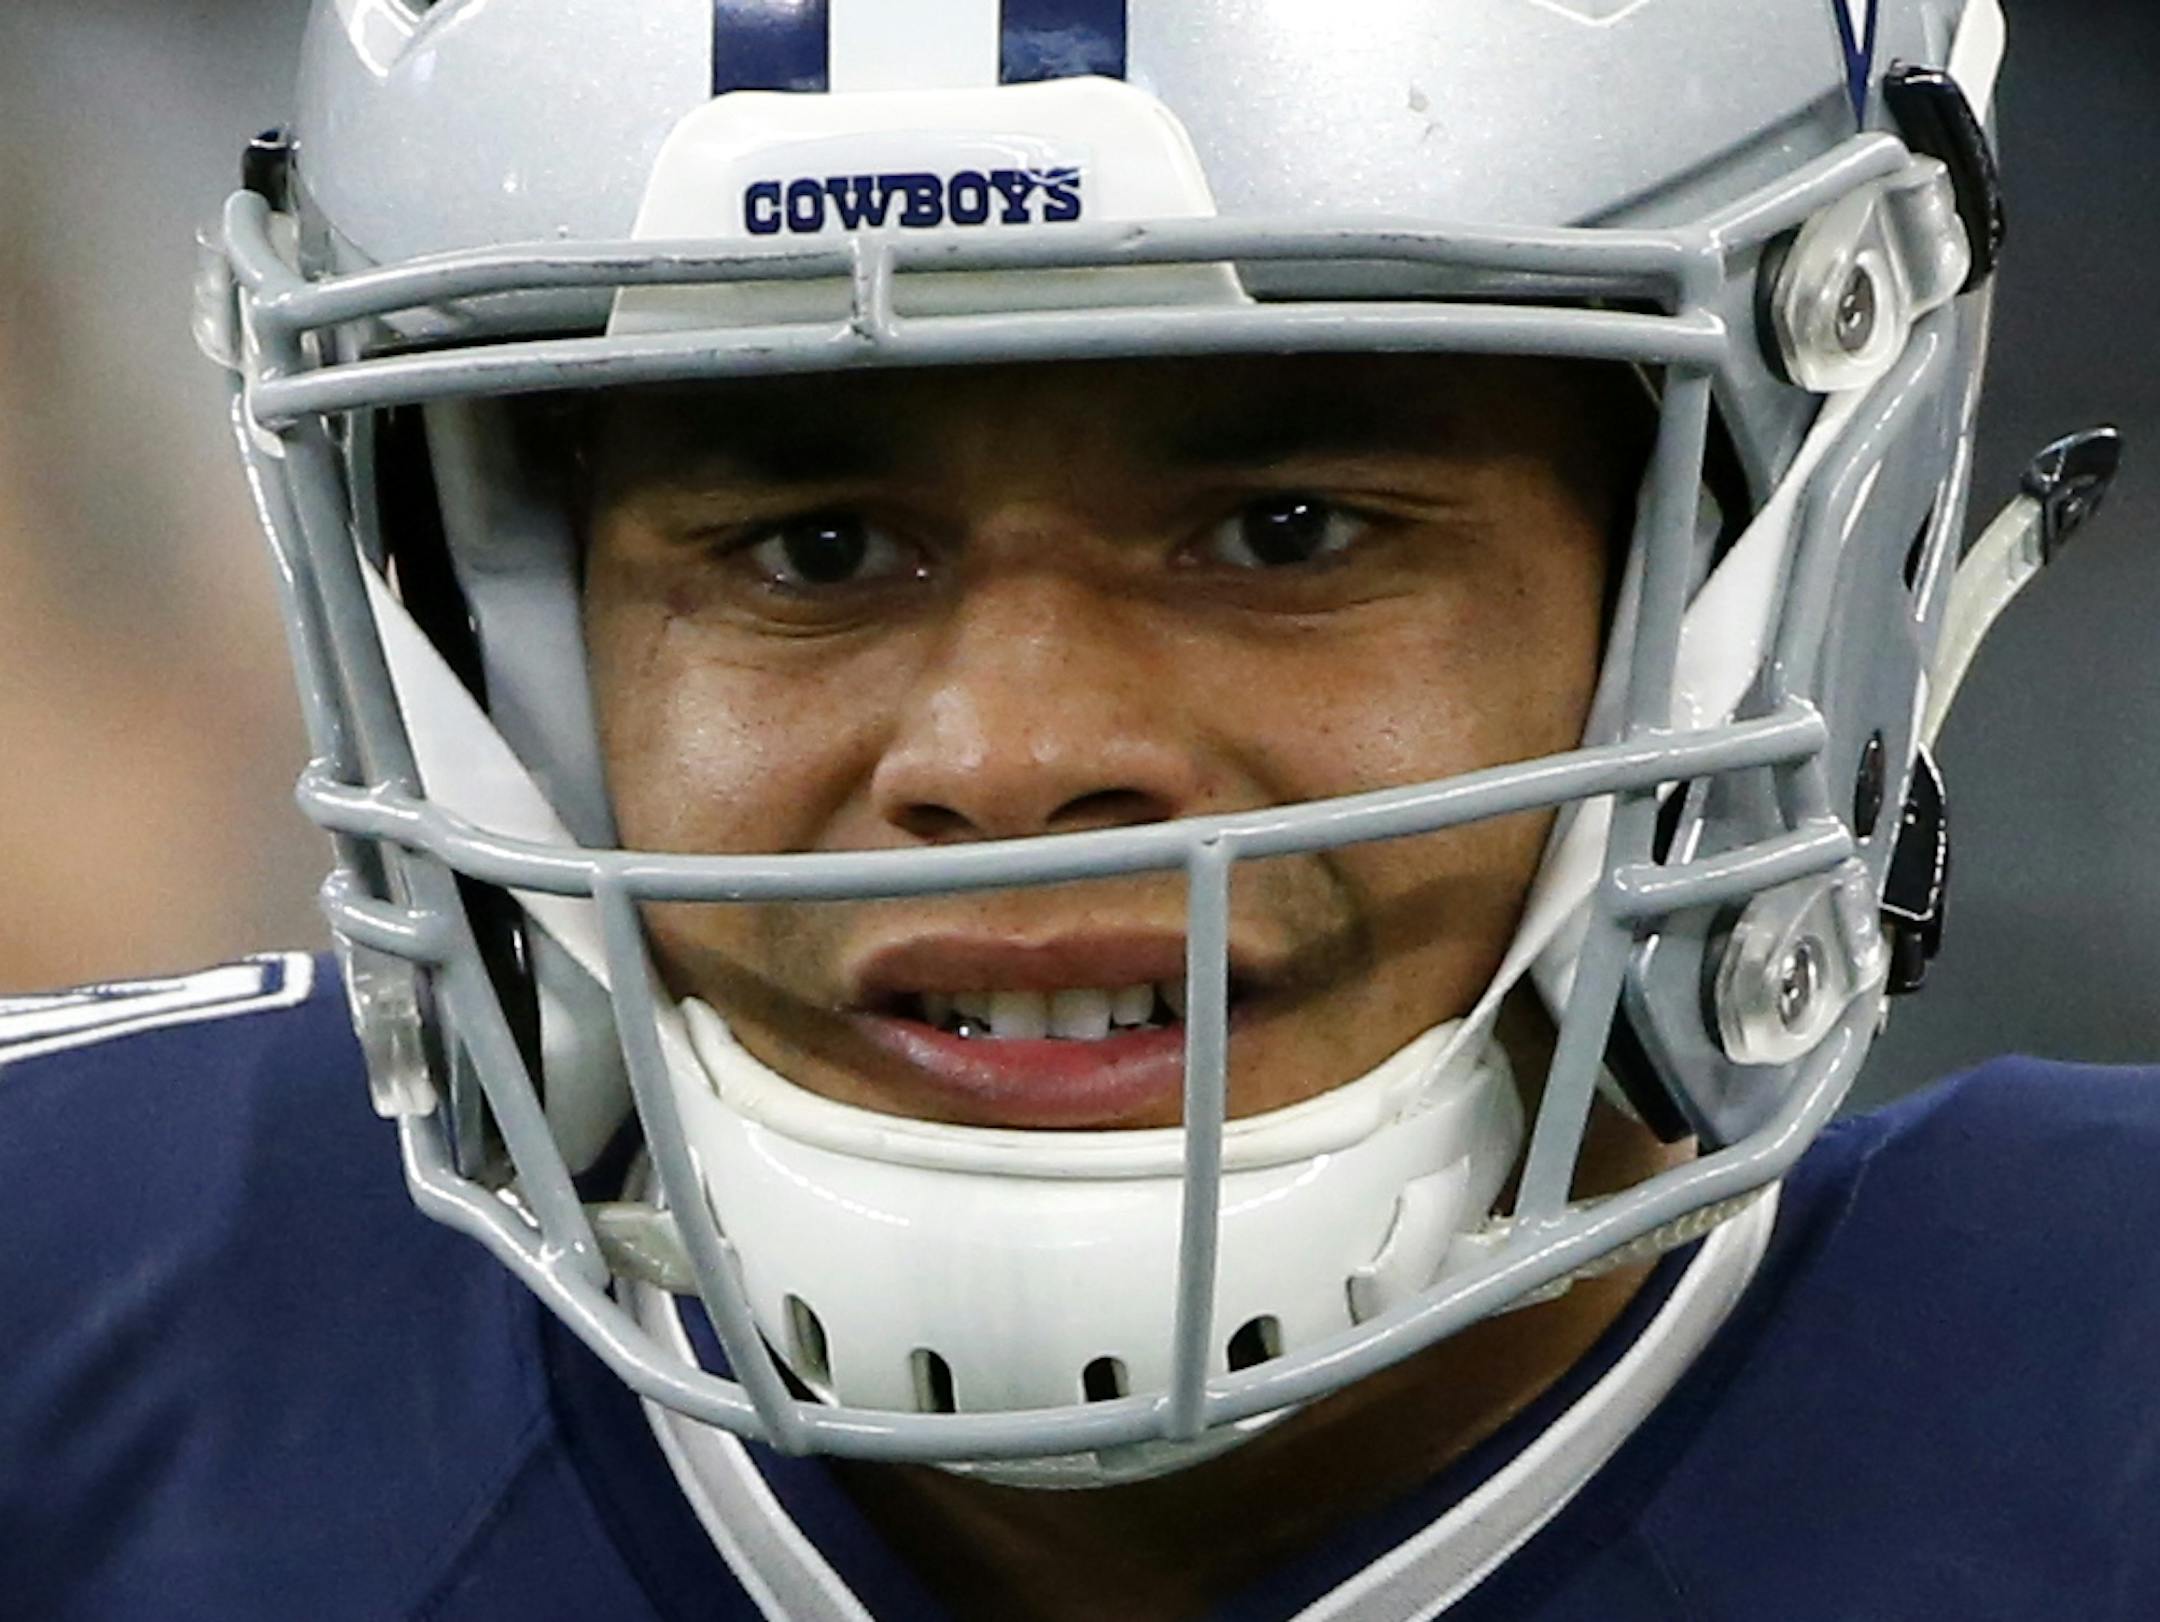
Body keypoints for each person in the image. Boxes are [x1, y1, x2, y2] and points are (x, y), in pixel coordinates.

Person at [2, 1, 2153, 1618]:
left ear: (1758, 558)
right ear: (501, 655)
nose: (1017, 751)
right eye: (816, 551)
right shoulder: (83, 1320)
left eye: (1289, 529)